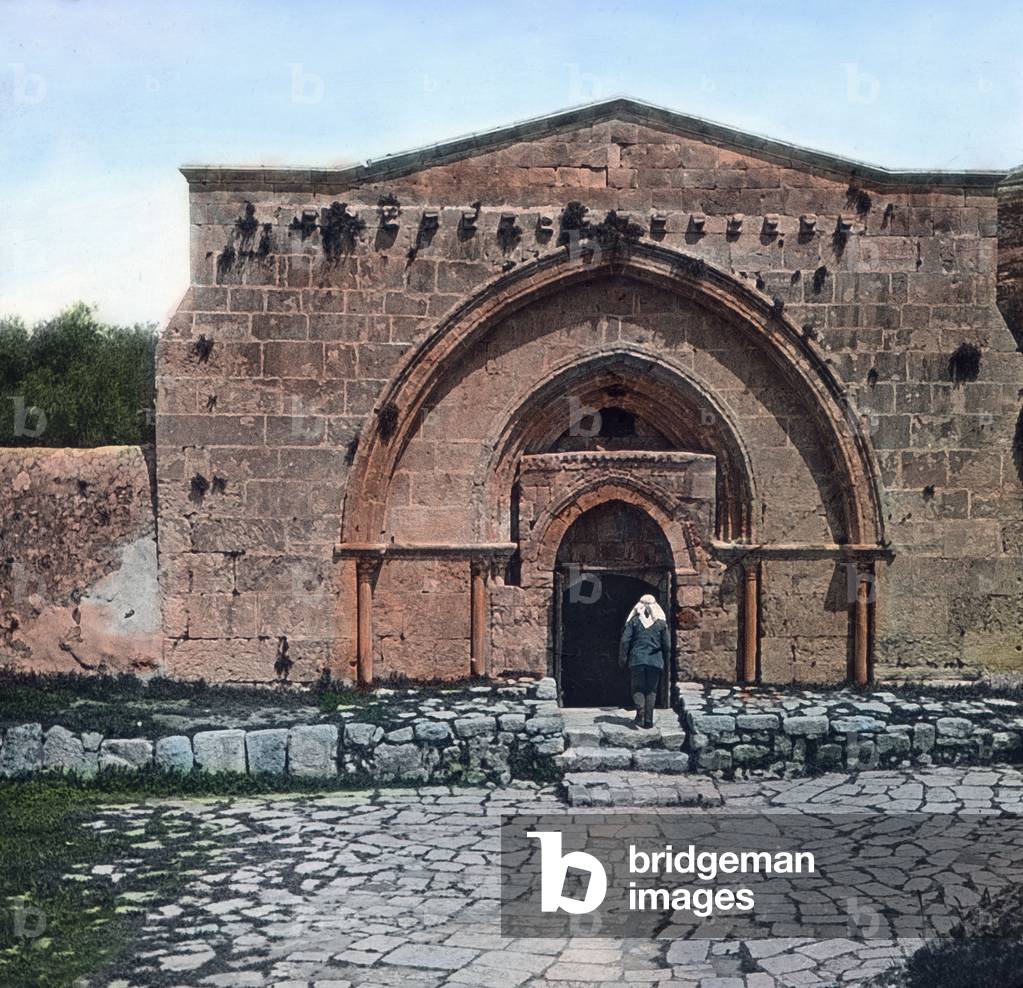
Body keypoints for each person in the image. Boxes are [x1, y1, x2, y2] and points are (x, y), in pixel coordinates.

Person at [618, 594, 670, 729]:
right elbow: (667, 645)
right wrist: (666, 659)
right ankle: (648, 721)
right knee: (651, 690)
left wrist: (622, 659)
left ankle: (640, 710)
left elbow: (625, 641)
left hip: (637, 660)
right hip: (655, 661)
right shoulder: (661, 624)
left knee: (637, 687)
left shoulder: (633, 622)